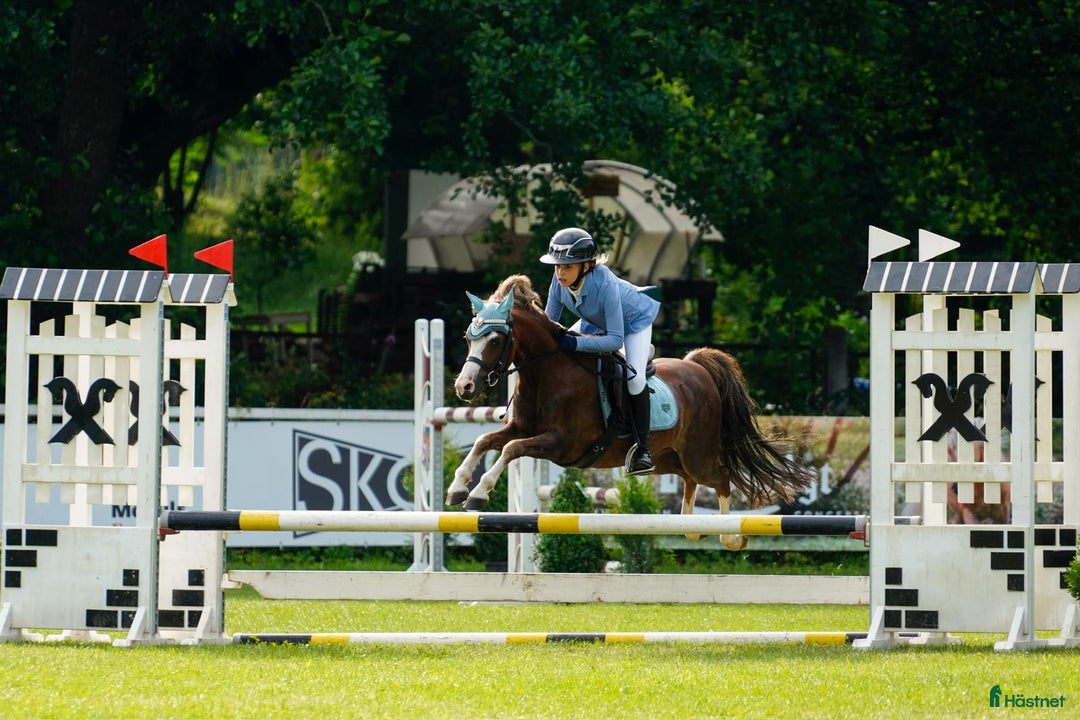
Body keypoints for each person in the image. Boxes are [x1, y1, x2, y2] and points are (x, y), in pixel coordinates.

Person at [540, 227, 661, 475]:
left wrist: (575, 343)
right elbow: (548, 326)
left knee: (635, 379)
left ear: (586, 266)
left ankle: (643, 450)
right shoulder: (558, 280)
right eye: (557, 266)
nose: (560, 272)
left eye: (567, 267)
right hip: (596, 323)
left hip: (631, 325)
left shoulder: (604, 283)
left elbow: (615, 340)